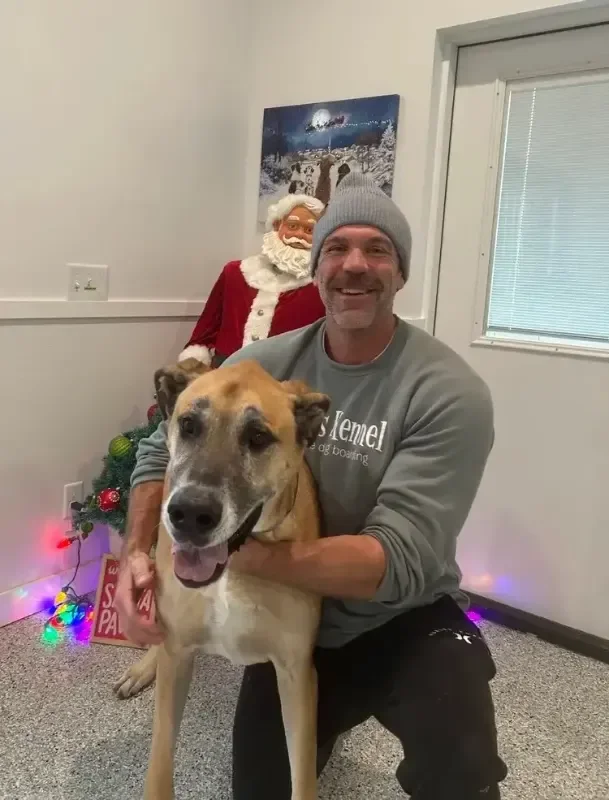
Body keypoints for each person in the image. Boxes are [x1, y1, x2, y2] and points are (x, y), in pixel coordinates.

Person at [116, 172, 508, 799]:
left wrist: (220, 547)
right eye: (336, 248)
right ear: (316, 269)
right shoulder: (267, 363)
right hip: (289, 612)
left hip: (398, 620)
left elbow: (397, 560)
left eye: (377, 249)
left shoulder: (447, 393)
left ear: (400, 271)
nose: (355, 265)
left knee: (461, 759)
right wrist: (138, 551)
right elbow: (157, 452)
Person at [178, 193, 326, 367]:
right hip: (226, 373)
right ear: (277, 225)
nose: (299, 235)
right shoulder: (235, 273)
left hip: (286, 380)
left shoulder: (322, 284)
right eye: (292, 226)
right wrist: (194, 363)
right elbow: (208, 325)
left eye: (309, 230)